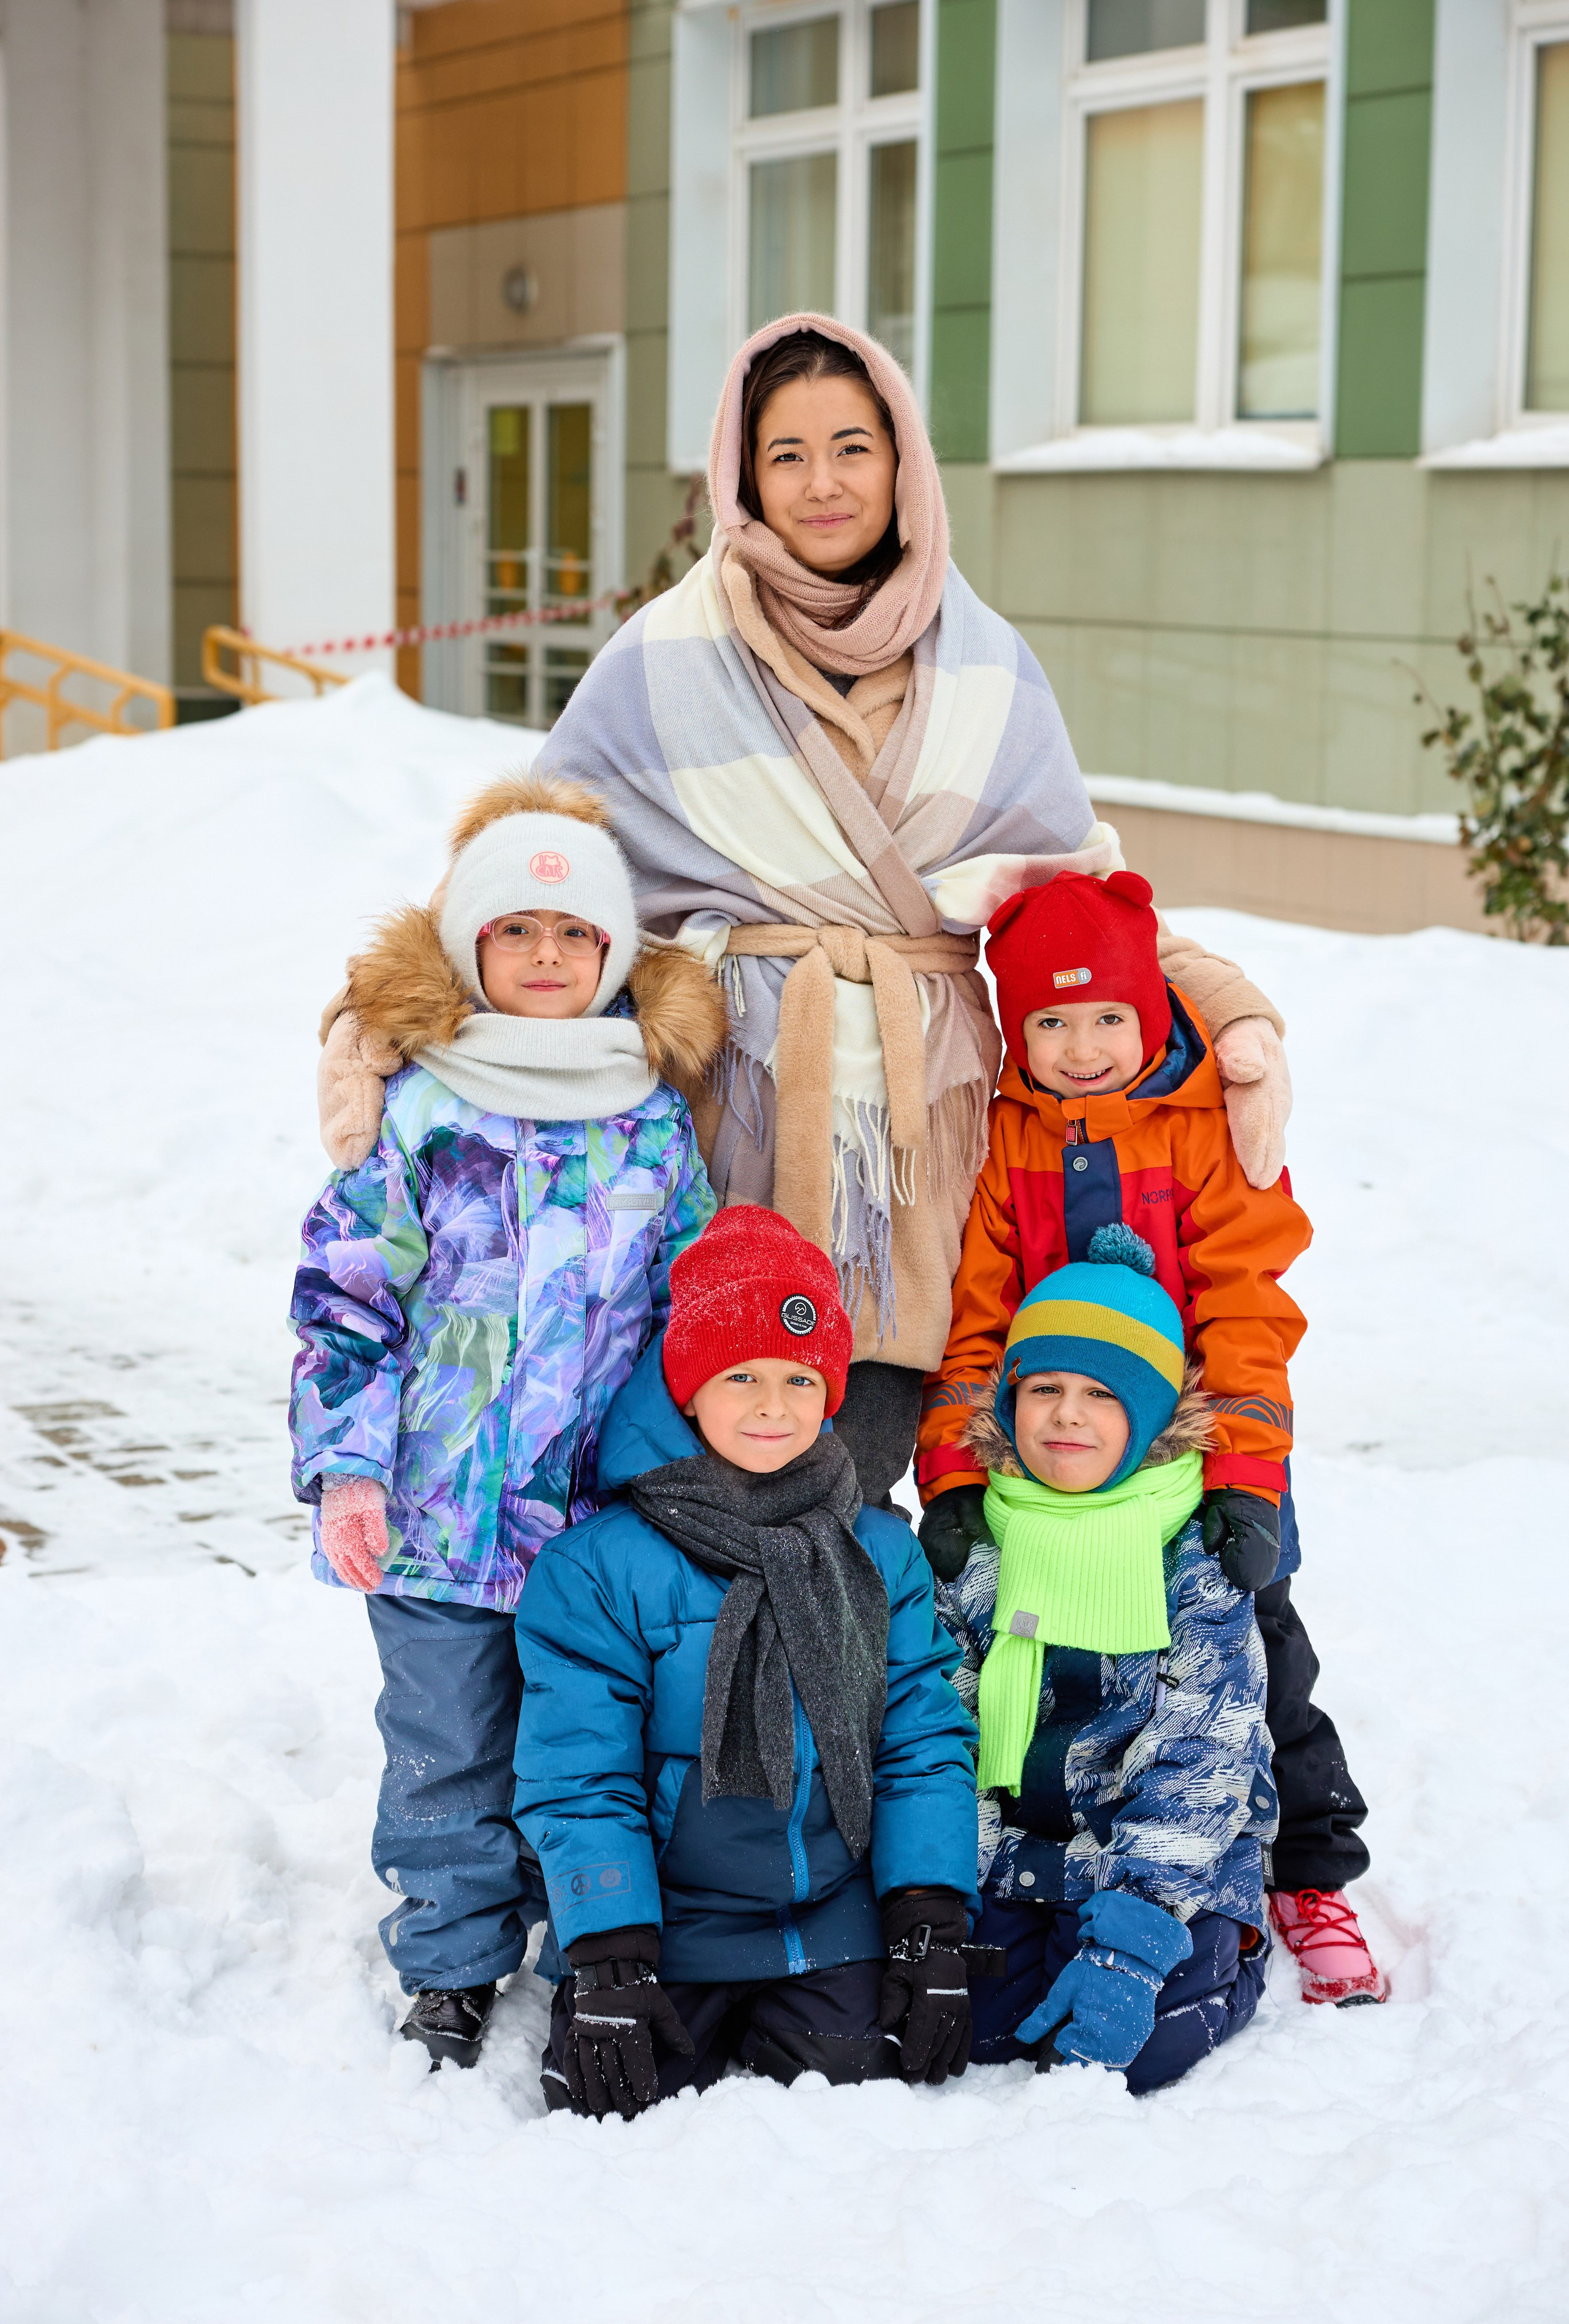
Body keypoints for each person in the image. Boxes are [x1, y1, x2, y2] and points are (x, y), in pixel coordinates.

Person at [316, 314, 1293, 1518]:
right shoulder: (661, 661)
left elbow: (1074, 894)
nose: (822, 483)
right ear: (741, 477)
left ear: (901, 464)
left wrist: (1227, 1010)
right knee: (729, 1462)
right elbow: (532, 871)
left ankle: (850, 1703)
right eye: (786, 456)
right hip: (738, 1126)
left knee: (865, 1475)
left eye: (850, 447)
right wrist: (384, 1006)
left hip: (923, 1147)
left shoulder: (987, 667)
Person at [288, 777, 723, 2068]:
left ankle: (569, 1926)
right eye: (518, 933)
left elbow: (687, 1307)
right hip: (436, 1517)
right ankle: (451, 1961)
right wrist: (349, 1470)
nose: (547, 958)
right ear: (472, 946)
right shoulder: (422, 1106)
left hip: (593, 1527)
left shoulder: (647, 1116)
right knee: (446, 1749)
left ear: (611, 954)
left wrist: (689, 1471)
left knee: (576, 1739)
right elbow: (347, 1301)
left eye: (575, 934)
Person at [918, 869, 1383, 2006]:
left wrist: (1246, 1481)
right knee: (1043, 1650)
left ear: (1153, 1013)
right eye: (1052, 1021)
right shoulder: (1004, 1135)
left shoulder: (1199, 1130)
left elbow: (1244, 1303)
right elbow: (974, 1313)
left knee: (1255, 1644)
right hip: (1058, 1449)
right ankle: (1065, 1854)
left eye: (1109, 1017)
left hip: (1197, 1452)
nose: (1083, 1046)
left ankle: (1310, 1868)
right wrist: (953, 1467)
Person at [511, 1206, 980, 2119]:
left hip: (824, 1919)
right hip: (669, 1923)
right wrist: (608, 1949)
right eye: (742, 1375)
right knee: (613, 2104)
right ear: (688, 1390)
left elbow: (924, 1740)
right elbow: (579, 1771)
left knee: (865, 2088)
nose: (774, 1405)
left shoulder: (879, 1554)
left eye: (802, 1379)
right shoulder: (598, 1568)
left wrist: (929, 1919)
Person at [939, 1232, 1277, 2091]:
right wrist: (954, 1890)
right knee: (968, 2027)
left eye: (1102, 1393)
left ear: (1156, 1415)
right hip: (1024, 1850)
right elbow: (944, 1730)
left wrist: (1133, 1931)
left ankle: (1229, 1961)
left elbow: (1203, 1756)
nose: (1067, 1415)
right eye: (1043, 1388)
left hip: (1167, 1859)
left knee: (1140, 2041)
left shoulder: (1193, 1560)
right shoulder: (980, 1548)